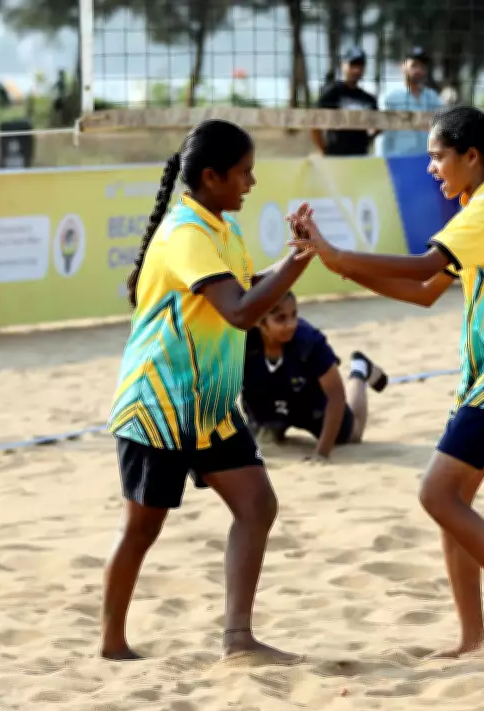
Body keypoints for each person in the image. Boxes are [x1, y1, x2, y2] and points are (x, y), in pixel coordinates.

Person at [288, 106, 484, 656]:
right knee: (450, 503)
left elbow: (419, 267)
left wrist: (338, 253)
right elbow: (426, 291)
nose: (432, 166)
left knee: (436, 495)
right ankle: (471, 639)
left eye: (438, 155)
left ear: (471, 155)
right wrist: (335, 263)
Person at [101, 119, 315, 665]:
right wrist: (293, 266)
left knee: (257, 503)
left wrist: (296, 256)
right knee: (142, 527)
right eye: (244, 173)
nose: (252, 182)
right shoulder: (186, 233)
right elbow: (242, 312)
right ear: (212, 175)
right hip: (160, 405)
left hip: (210, 409)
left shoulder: (221, 226)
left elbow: (242, 291)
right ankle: (111, 643)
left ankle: (238, 640)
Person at [242, 290, 388, 461]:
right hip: (269, 397)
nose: (290, 324)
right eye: (280, 318)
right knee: (264, 437)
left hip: (311, 401)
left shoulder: (310, 342)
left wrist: (321, 453)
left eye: (294, 315)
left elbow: (336, 395)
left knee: (351, 437)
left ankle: (359, 370)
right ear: (260, 322)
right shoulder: (240, 343)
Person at [311, 47, 378, 157]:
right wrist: (324, 150)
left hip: (361, 156)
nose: (356, 70)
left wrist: (367, 140)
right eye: (352, 65)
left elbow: (379, 125)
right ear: (343, 65)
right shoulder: (332, 93)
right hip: (336, 156)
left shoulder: (368, 99)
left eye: (360, 66)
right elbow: (314, 123)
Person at [379, 47, 444, 158]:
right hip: (398, 160)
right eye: (414, 65)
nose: (418, 70)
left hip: (427, 161)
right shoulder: (390, 97)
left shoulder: (432, 97)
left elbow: (443, 127)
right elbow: (384, 136)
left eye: (422, 66)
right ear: (402, 66)